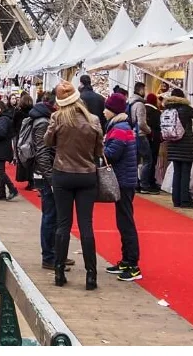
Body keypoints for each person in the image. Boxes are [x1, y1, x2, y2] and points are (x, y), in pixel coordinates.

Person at [45, 80, 103, 290]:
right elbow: (99, 151)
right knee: (86, 225)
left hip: (63, 173)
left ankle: (59, 271)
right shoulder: (93, 120)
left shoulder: (57, 118)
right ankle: (91, 275)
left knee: (63, 224)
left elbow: (48, 141)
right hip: (87, 175)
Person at [30, 92, 72, 271]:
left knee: (55, 216)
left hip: (53, 173)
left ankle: (56, 252)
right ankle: (49, 256)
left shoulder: (47, 119)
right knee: (50, 216)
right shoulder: (43, 122)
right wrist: (51, 178)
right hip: (50, 176)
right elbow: (42, 153)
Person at [102, 93, 142, 282]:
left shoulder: (119, 128)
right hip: (125, 179)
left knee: (126, 222)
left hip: (124, 181)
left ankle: (133, 264)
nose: (103, 111)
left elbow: (112, 154)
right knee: (123, 220)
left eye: (106, 108)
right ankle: (126, 260)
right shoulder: (120, 127)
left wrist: (99, 148)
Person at [162, 88, 193, 209]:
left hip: (172, 144)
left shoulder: (167, 109)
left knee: (177, 172)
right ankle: (185, 201)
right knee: (185, 173)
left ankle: (176, 200)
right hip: (186, 145)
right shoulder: (185, 108)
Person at [127, 82, 151, 193]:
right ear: (141, 90)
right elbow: (141, 122)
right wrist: (149, 131)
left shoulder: (130, 102)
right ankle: (144, 185)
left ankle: (135, 183)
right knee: (147, 160)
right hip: (140, 135)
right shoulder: (140, 104)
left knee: (135, 160)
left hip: (132, 134)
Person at [139, 93, 163, 194]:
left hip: (144, 137)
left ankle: (143, 182)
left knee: (144, 161)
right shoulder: (156, 112)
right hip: (154, 138)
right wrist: (152, 132)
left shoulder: (143, 108)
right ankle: (148, 183)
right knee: (150, 161)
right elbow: (158, 125)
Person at [14, 93, 35, 190]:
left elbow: (13, 125)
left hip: (21, 138)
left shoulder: (18, 112)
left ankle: (27, 178)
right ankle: (32, 180)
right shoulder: (34, 112)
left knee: (22, 157)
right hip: (31, 138)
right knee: (31, 158)